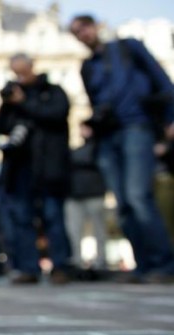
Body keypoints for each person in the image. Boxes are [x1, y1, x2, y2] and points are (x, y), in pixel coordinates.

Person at [69, 14, 174, 283]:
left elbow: (163, 82)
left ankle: (162, 265)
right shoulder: (87, 67)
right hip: (107, 137)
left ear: (96, 26)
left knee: (139, 196)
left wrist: (170, 120)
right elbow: (96, 104)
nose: (82, 35)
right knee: (123, 203)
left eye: (84, 28)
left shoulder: (128, 48)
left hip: (136, 128)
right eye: (76, 33)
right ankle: (142, 266)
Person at [0, 53, 71, 284]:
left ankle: (60, 266)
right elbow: (1, 126)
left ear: (31, 67)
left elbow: (56, 116)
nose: (19, 76)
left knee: (52, 215)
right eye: (15, 71)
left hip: (48, 166)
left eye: (22, 70)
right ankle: (28, 267)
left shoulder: (52, 91)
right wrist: (8, 104)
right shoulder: (12, 99)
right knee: (21, 218)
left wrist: (23, 102)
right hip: (20, 167)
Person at [65, 123, 107, 277]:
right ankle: (77, 261)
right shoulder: (75, 150)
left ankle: (101, 261)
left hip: (94, 192)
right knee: (74, 230)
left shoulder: (100, 147)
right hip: (75, 193)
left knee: (99, 230)